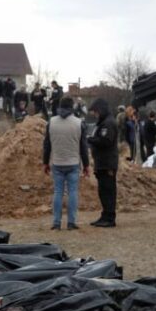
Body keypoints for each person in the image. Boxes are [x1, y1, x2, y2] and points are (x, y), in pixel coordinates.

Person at [42, 96, 89, 230]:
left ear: (60, 106)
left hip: (57, 163)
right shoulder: (79, 123)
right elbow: (83, 147)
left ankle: (56, 223)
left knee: (58, 192)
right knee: (72, 192)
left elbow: (47, 145)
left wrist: (45, 162)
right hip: (73, 163)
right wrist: (86, 165)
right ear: (72, 107)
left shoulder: (51, 122)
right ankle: (71, 223)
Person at [86, 98, 118, 228]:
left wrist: (90, 140)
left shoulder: (108, 123)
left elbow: (106, 141)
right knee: (103, 191)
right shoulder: (102, 122)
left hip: (107, 163)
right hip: (102, 162)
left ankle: (109, 218)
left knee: (108, 190)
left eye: (95, 112)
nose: (95, 114)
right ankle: (105, 215)